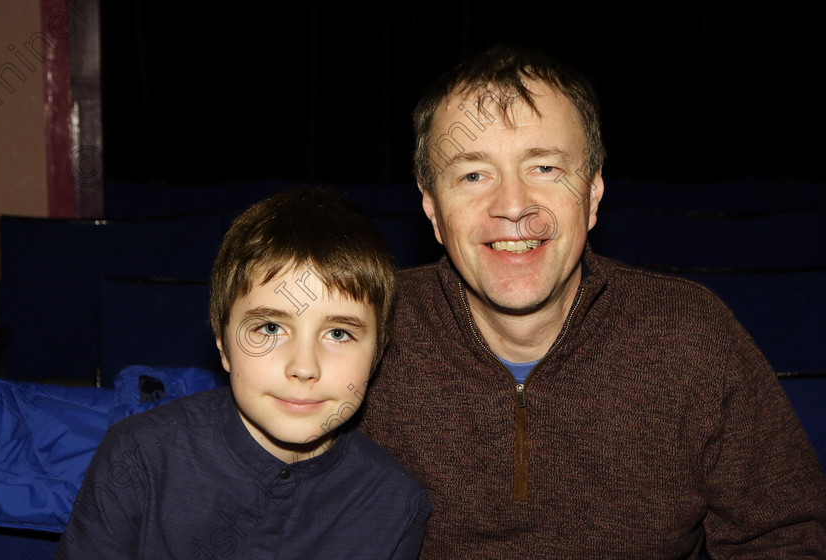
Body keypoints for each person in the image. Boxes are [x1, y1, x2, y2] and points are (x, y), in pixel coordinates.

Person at [359, 44, 826, 558]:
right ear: (431, 206)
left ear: (594, 190)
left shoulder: (690, 335)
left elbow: (787, 538)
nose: (514, 208)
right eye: (473, 174)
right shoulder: (364, 334)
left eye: (544, 168)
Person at [55, 187, 430, 559]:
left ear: (378, 354)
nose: (303, 367)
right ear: (223, 344)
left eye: (338, 333)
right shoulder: (138, 458)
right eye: (269, 328)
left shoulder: (397, 504)